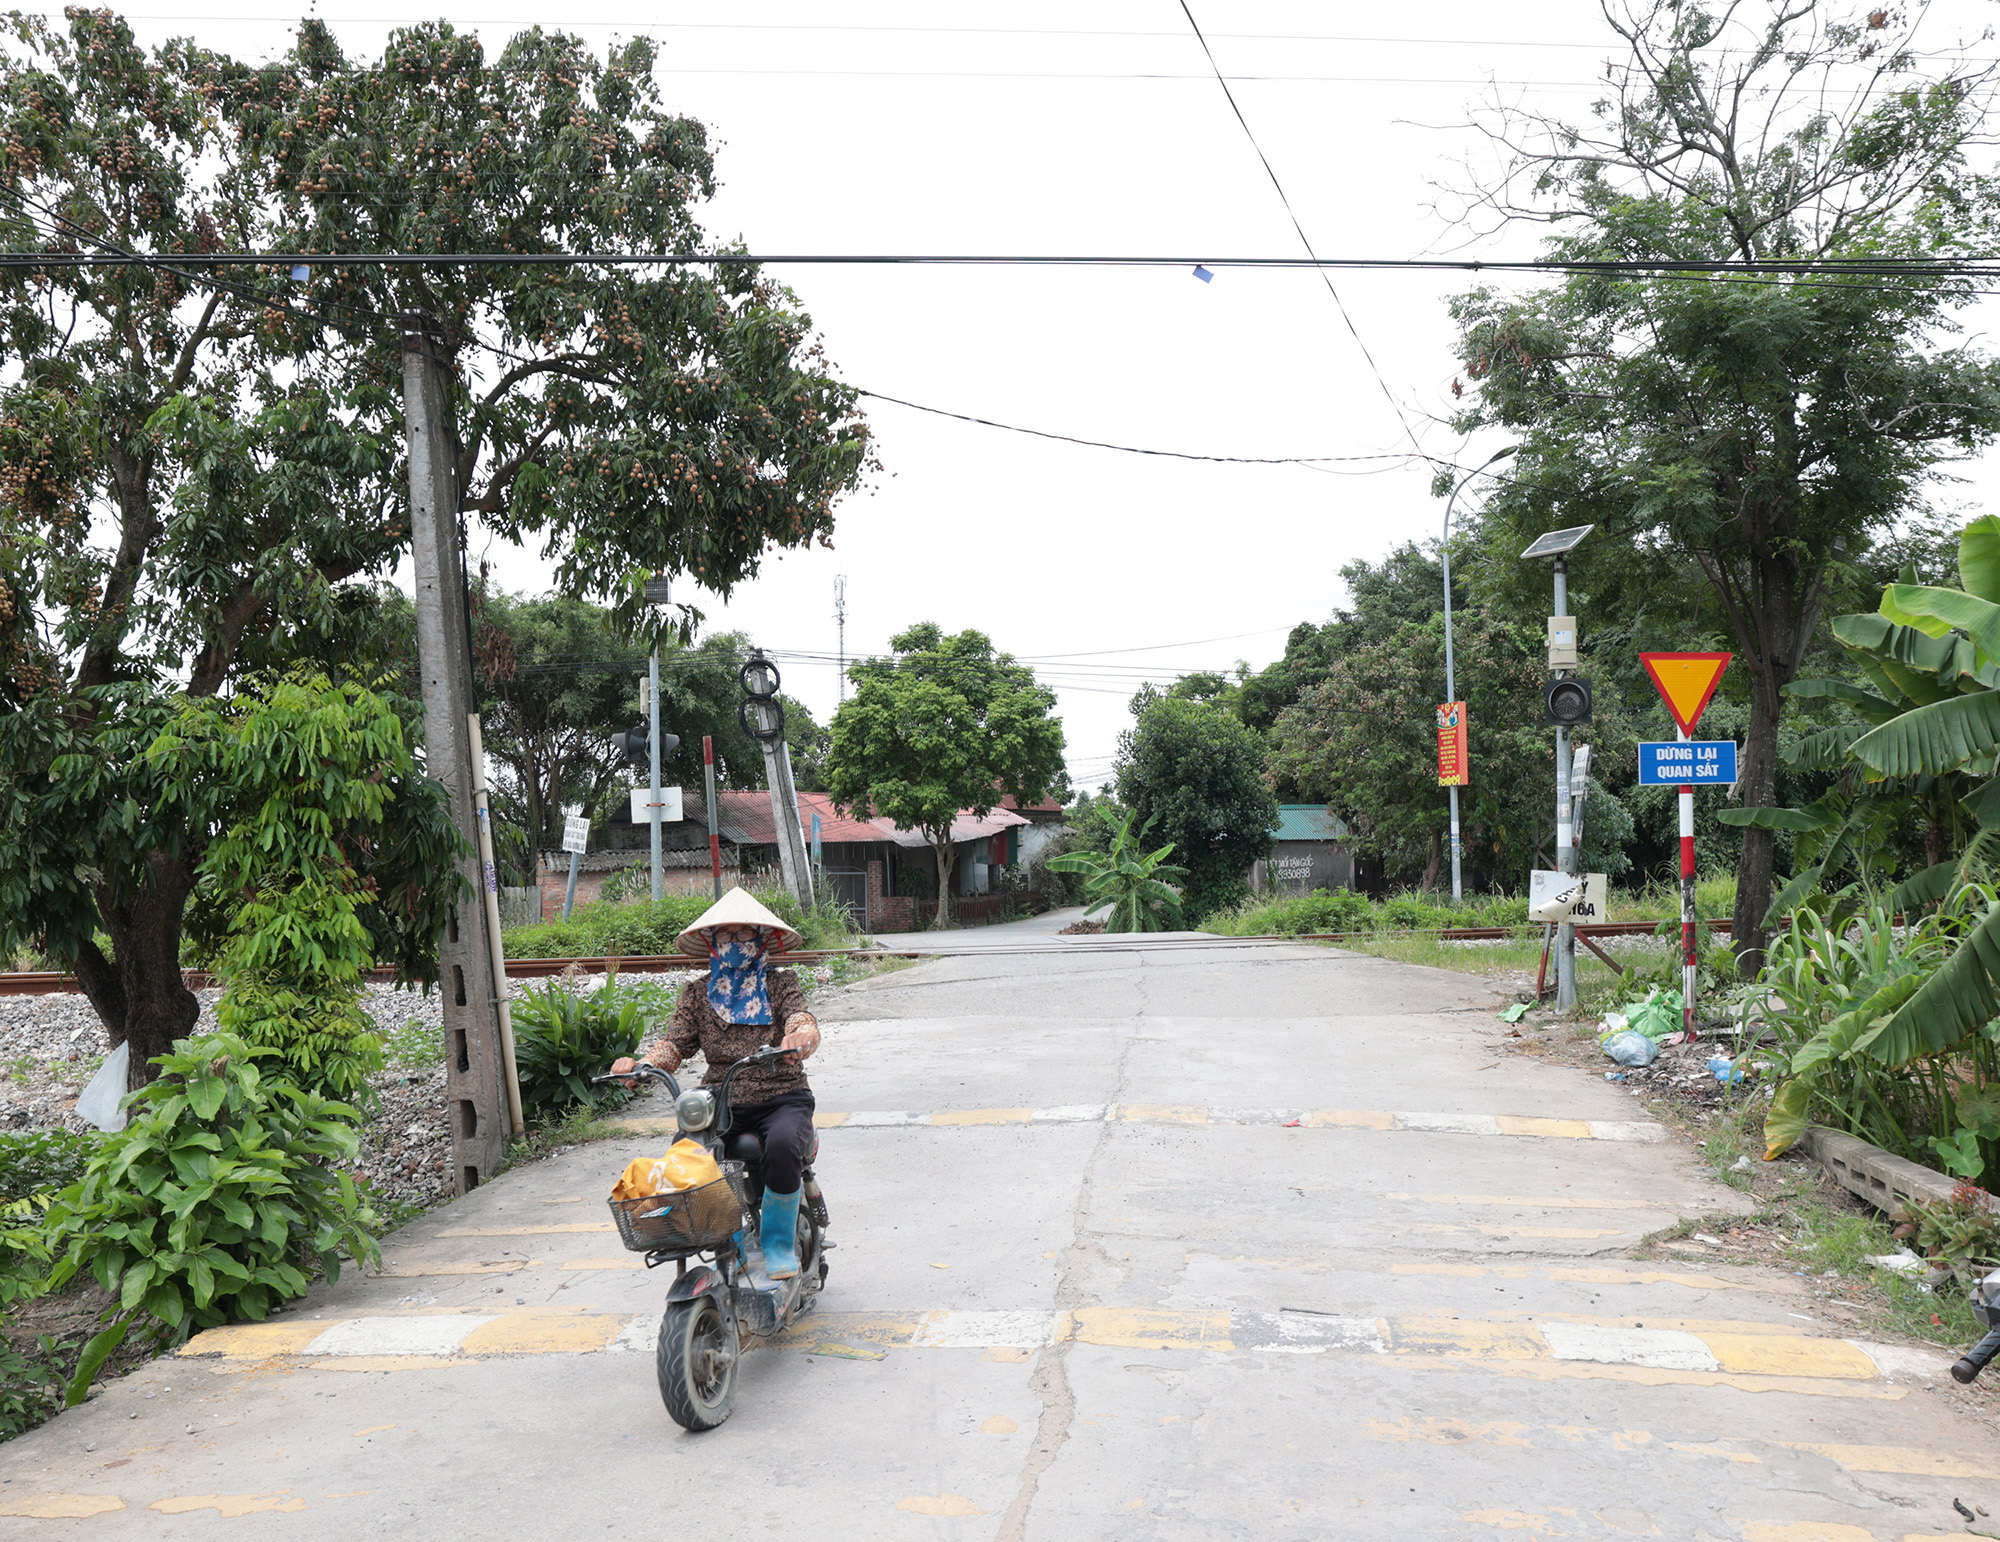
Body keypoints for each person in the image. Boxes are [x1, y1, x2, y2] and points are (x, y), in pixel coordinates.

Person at [609, 890, 821, 1279]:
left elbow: (800, 1018)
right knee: (689, 1152)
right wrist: (642, 1066)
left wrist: (798, 1038)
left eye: (744, 934)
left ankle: (777, 1244)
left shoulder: (781, 983)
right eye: (725, 936)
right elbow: (675, 1043)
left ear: (760, 938)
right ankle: (727, 1238)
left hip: (781, 1093)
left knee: (782, 1143)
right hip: (721, 1097)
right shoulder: (696, 993)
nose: (735, 943)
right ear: (713, 943)